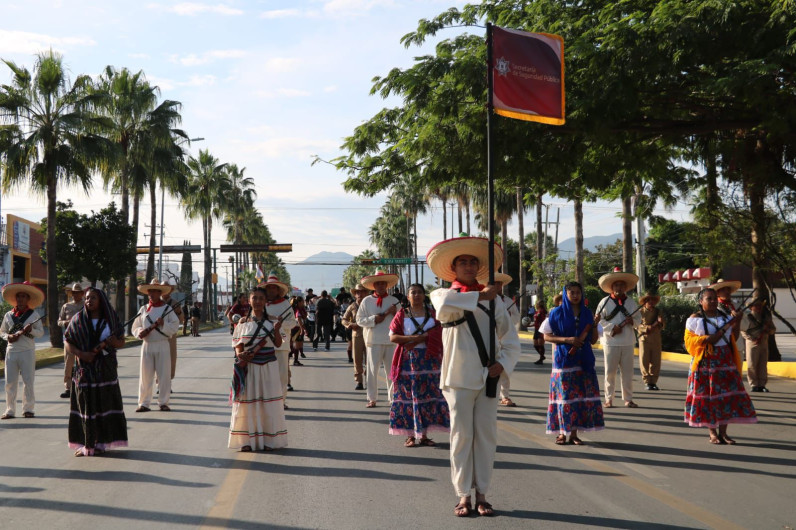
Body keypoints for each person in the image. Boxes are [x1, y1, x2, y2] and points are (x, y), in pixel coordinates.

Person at [427, 235, 521, 517]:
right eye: (463, 262)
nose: (468, 266)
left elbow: (511, 341)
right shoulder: (444, 295)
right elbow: (443, 306)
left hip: (487, 378)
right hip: (457, 378)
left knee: (486, 437)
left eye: (473, 262)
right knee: (461, 436)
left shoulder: (496, 303)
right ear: (453, 269)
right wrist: (482, 295)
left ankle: (482, 493)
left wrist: (502, 365)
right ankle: (462, 495)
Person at [684, 288, 757, 444]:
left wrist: (736, 322)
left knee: (726, 397)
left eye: (714, 299)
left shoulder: (724, 317)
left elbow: (733, 337)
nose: (712, 302)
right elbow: (691, 342)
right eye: (708, 299)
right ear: (700, 301)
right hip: (705, 362)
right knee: (709, 398)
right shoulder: (694, 319)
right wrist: (711, 337)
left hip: (725, 361)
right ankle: (712, 433)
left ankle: (723, 433)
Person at [64, 288, 128, 456]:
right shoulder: (77, 319)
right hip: (84, 370)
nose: (88, 301)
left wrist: (115, 342)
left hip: (106, 371)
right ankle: (86, 444)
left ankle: (101, 443)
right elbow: (67, 341)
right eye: (86, 298)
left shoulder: (111, 319)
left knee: (103, 405)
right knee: (85, 406)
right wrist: (81, 354)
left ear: (101, 301)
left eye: (93, 297)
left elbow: (122, 341)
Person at [540, 282, 604, 445]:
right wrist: (567, 340)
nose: (575, 295)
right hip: (563, 360)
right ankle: (562, 433)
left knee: (580, 398)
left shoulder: (588, 314)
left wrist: (595, 325)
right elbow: (546, 337)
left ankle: (574, 434)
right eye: (571, 292)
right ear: (565, 294)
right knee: (564, 397)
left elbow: (593, 340)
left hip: (584, 360)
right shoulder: (555, 313)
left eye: (578, 292)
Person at [389, 283, 449, 447]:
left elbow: (442, 332)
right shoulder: (402, 314)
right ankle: (410, 436)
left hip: (430, 361)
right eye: (412, 293)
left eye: (419, 292)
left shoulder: (433, 314)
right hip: (408, 362)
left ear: (424, 296)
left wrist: (421, 338)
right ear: (407, 297)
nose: (416, 295)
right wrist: (415, 339)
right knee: (409, 397)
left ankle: (423, 435)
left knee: (427, 397)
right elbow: (393, 337)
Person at [229, 286, 287, 452]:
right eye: (255, 298)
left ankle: (269, 440)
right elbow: (237, 345)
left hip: (268, 367)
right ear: (249, 300)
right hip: (250, 368)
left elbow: (277, 343)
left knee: (267, 403)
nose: (258, 301)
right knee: (248, 404)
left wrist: (276, 331)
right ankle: (246, 441)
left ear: (265, 301)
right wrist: (242, 355)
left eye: (261, 298)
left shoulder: (274, 321)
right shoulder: (242, 323)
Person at [594, 267, 641, 408]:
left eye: (621, 285)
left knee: (628, 373)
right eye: (616, 285)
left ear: (625, 287)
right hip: (610, 342)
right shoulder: (604, 302)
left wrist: (632, 321)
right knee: (610, 372)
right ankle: (608, 399)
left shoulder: (631, 303)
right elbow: (598, 321)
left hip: (628, 341)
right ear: (612, 287)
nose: (619, 288)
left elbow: (638, 319)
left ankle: (628, 399)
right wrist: (611, 328)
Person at [132, 279, 181, 412]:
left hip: (162, 344)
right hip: (147, 345)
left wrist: (163, 325)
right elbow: (135, 326)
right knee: (145, 375)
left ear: (159, 293)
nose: (151, 294)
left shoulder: (167, 309)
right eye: (150, 292)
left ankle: (163, 402)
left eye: (154, 291)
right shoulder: (143, 309)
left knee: (164, 375)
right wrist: (140, 332)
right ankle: (144, 403)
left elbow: (175, 326)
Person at [356, 270, 401, 408]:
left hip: (391, 340)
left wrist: (395, 313)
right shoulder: (366, 301)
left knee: (391, 371)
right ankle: (372, 398)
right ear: (374, 285)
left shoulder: (394, 301)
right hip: (373, 340)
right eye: (378, 283)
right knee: (371, 370)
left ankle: (393, 398)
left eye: (383, 283)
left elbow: (402, 320)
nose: (381, 286)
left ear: (387, 285)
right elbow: (359, 320)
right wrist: (374, 319)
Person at [1, 281, 45, 419]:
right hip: (12, 351)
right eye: (18, 296)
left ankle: (28, 409)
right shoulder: (8, 315)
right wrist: (9, 336)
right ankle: (9, 410)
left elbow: (41, 333)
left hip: (27, 351)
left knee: (28, 381)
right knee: (10, 382)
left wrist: (31, 330)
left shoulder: (34, 315)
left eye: (23, 296)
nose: (20, 299)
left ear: (28, 299)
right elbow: (2, 331)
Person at [477, 272, 519, 407]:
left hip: (503, 337)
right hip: (487, 338)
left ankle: (505, 396)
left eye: (499, 283)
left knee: (503, 367)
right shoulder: (481, 297)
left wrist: (507, 316)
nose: (497, 285)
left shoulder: (507, 301)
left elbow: (516, 319)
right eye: (494, 283)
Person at [261, 273, 297, 400]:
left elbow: (293, 323)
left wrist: (280, 324)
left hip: (282, 344)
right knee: (265, 375)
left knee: (282, 375)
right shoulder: (261, 303)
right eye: (269, 288)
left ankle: (281, 401)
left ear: (278, 290)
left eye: (274, 288)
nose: (271, 290)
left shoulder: (285, 304)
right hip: (263, 345)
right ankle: (267, 400)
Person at [740, 296, 776, 392]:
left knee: (763, 365)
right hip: (752, 343)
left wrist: (767, 329)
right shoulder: (747, 318)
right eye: (756, 306)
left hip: (764, 343)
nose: (759, 308)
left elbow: (773, 330)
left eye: (760, 306)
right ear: (751, 307)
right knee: (752, 364)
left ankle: (762, 385)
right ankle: (754, 384)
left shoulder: (766, 318)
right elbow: (743, 331)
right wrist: (752, 338)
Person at [58, 282, 86, 398]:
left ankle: (83, 385)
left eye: (78, 293)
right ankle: (68, 387)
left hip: (83, 338)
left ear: (82, 293)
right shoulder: (66, 306)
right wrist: (65, 322)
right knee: (69, 363)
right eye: (74, 293)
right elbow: (59, 321)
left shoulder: (86, 306)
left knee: (82, 363)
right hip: (69, 339)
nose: (75, 295)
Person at [342, 284, 369, 390]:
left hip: (369, 334)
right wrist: (350, 325)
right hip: (357, 335)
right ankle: (359, 381)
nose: (360, 294)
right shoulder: (352, 306)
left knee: (369, 359)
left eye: (362, 292)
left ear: (366, 293)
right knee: (357, 359)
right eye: (357, 292)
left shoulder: (370, 305)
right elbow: (343, 319)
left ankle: (369, 380)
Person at [637, 292, 665, 391]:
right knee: (644, 360)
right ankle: (647, 381)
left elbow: (663, 324)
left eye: (652, 300)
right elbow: (637, 326)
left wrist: (660, 322)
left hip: (656, 338)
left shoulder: (658, 311)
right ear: (644, 302)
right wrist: (649, 327)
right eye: (648, 300)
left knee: (656, 361)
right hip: (644, 339)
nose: (651, 302)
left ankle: (653, 382)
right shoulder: (640, 312)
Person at [161, 281, 184, 388]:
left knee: (170, 359)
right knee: (159, 359)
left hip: (170, 334)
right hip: (158, 334)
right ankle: (159, 384)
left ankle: (168, 382)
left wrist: (178, 311)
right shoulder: (157, 302)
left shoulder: (175, 303)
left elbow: (181, 320)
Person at [290, 296, 307, 366]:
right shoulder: (297, 310)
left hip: (296, 328)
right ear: (299, 302)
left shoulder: (298, 309)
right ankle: (295, 360)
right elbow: (299, 319)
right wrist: (302, 329)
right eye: (303, 302)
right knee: (297, 345)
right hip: (296, 328)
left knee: (296, 345)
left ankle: (292, 356)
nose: (303, 303)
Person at [532, 299, 548, 365]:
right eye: (539, 303)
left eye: (541, 303)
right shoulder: (536, 312)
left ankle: (541, 359)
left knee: (540, 344)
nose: (539, 304)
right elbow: (536, 321)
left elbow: (545, 320)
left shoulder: (543, 311)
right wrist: (530, 324)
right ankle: (542, 356)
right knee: (535, 344)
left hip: (541, 329)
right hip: (536, 329)